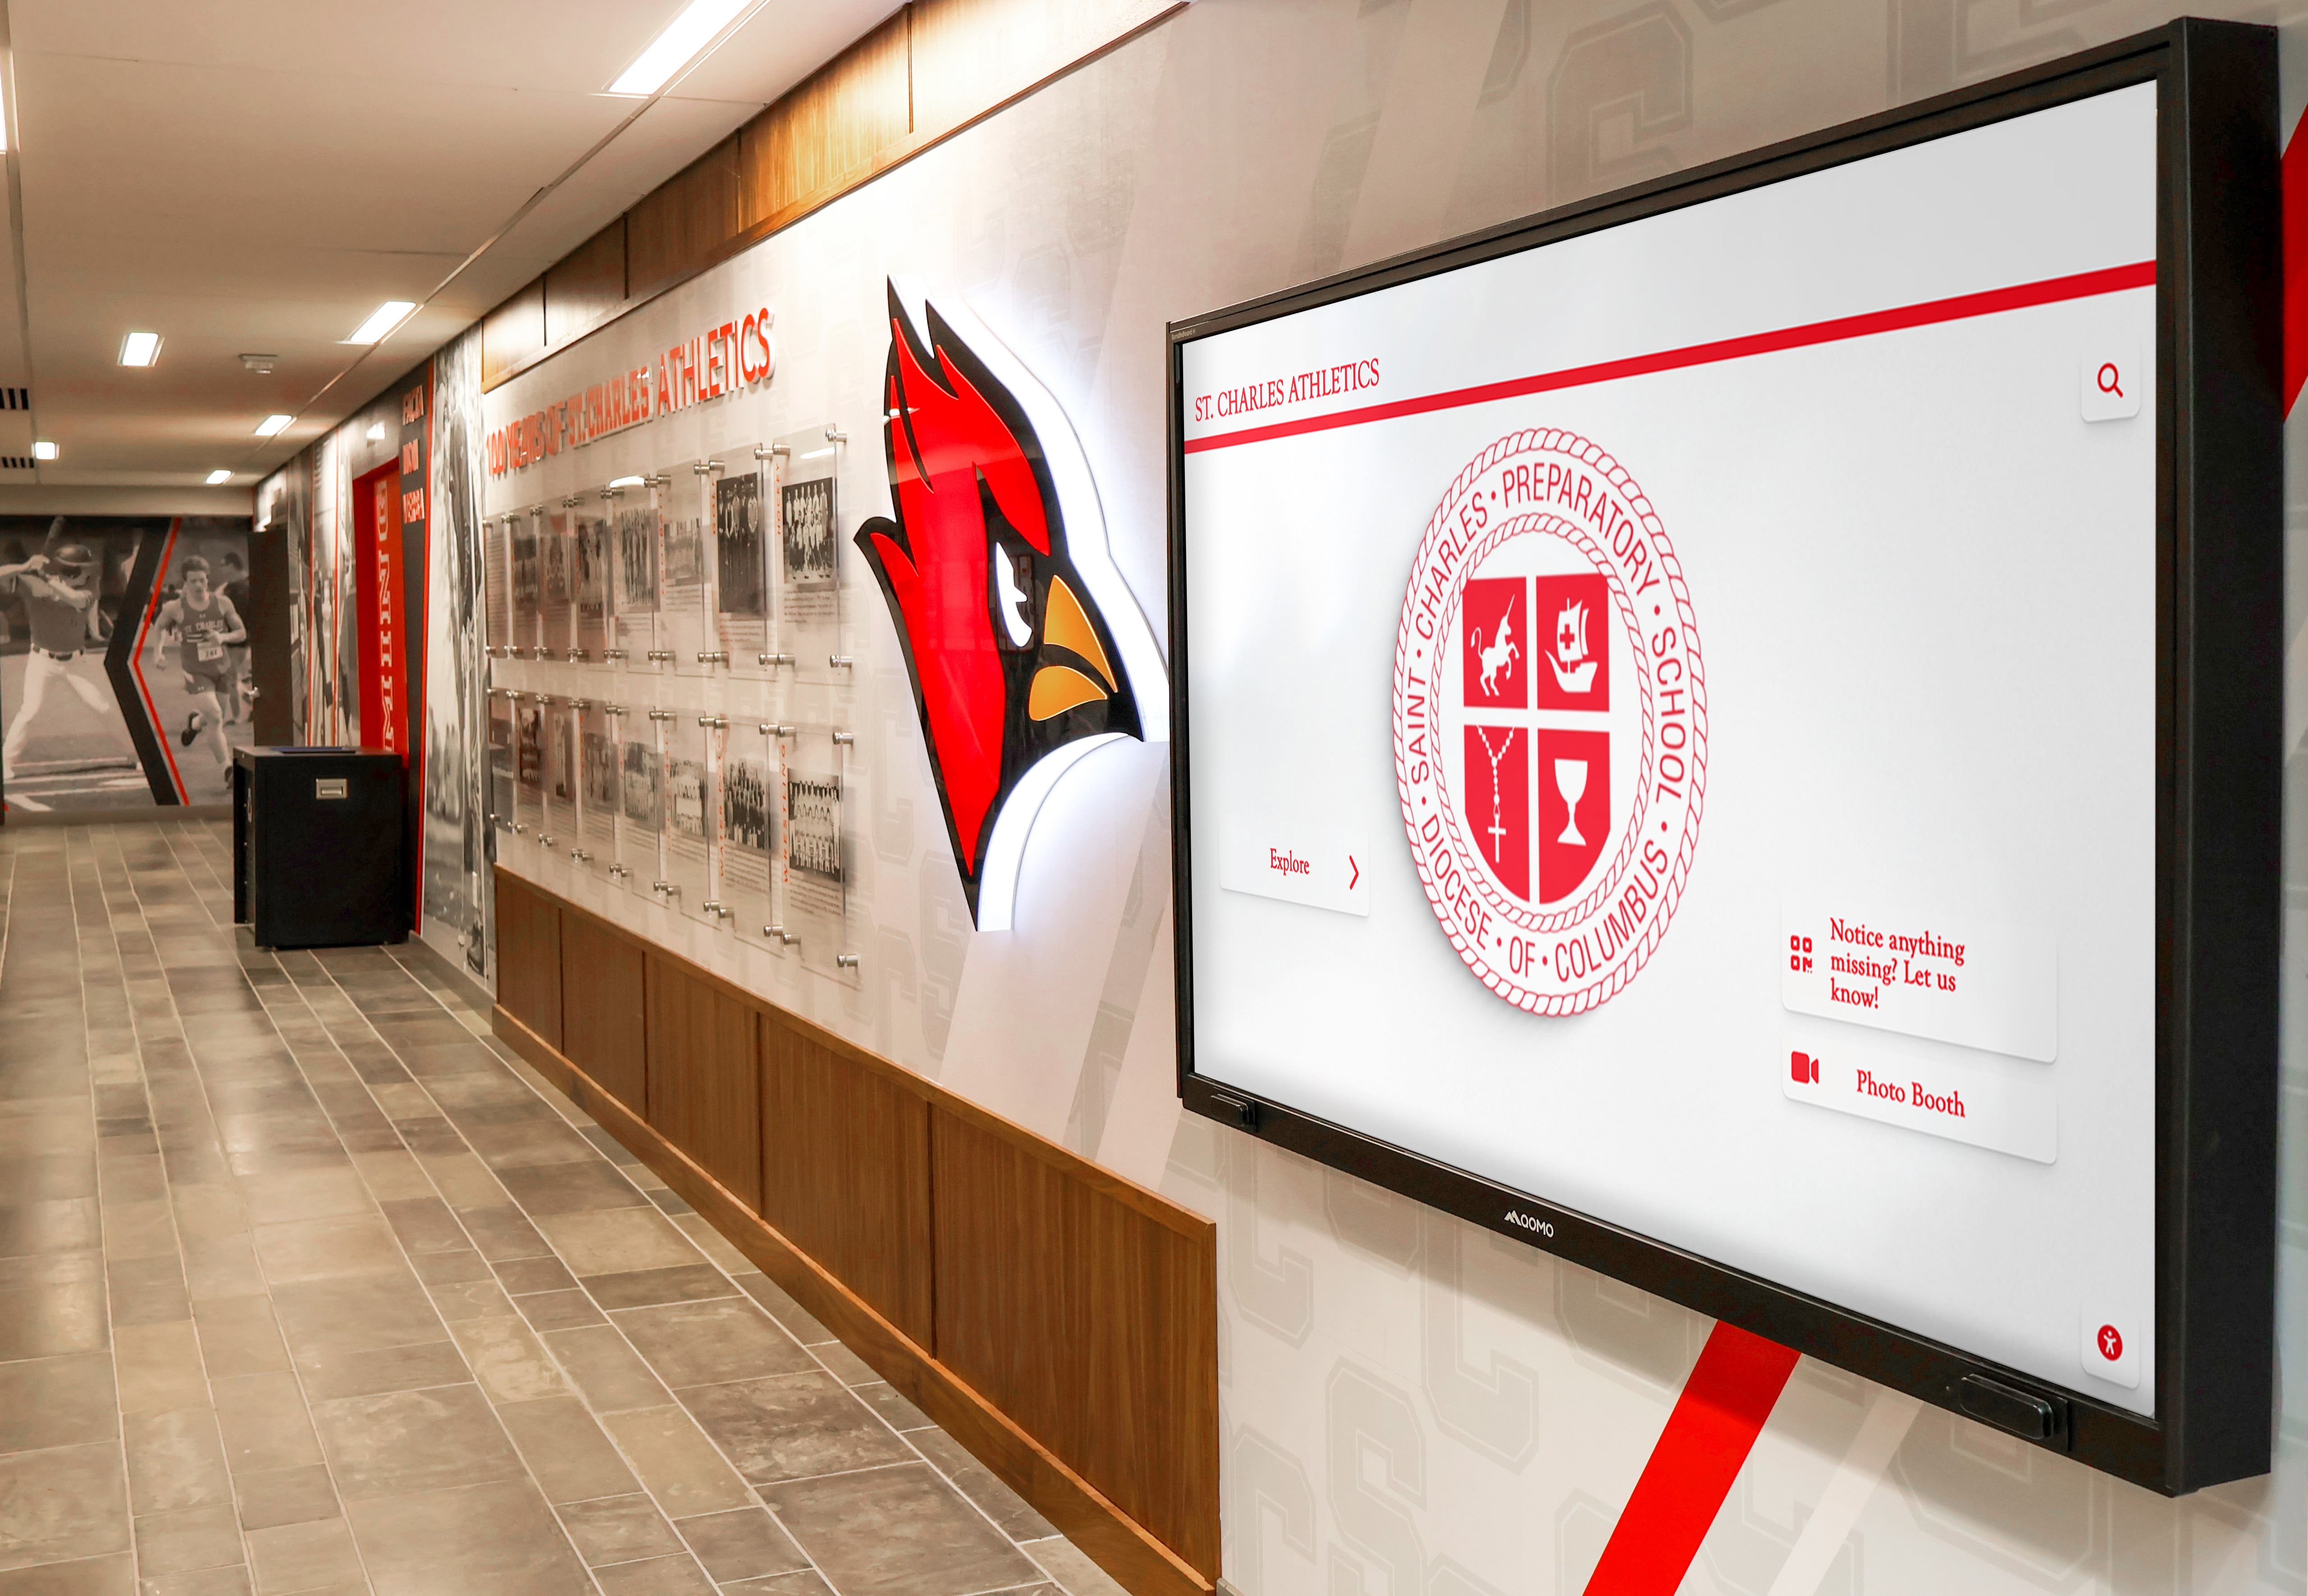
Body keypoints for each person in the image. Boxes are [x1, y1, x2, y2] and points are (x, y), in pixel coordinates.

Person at [0, 542, 107, 782]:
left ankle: (138, 755)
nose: (88, 571)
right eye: (82, 568)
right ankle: (5, 762)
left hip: (76, 663)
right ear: (71, 570)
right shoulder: (32, 583)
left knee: (102, 708)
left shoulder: (90, 585)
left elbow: (78, 601)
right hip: (42, 661)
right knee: (30, 711)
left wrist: (47, 580)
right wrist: (24, 567)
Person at [153, 555, 246, 769]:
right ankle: (227, 768)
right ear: (185, 582)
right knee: (216, 718)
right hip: (196, 671)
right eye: (193, 581)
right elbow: (159, 627)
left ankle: (195, 723)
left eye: (202, 580)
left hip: (221, 668)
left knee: (215, 715)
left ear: (208, 579)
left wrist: (222, 637)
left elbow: (241, 633)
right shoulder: (176, 608)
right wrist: (158, 654)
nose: (198, 585)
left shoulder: (222, 603)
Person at [217, 549, 252, 725]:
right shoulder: (228, 588)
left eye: (224, 565)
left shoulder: (243, 586)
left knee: (232, 678)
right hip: (236, 639)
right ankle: (249, 709)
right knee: (235, 678)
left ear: (233, 566)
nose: (221, 569)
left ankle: (239, 715)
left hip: (242, 641)